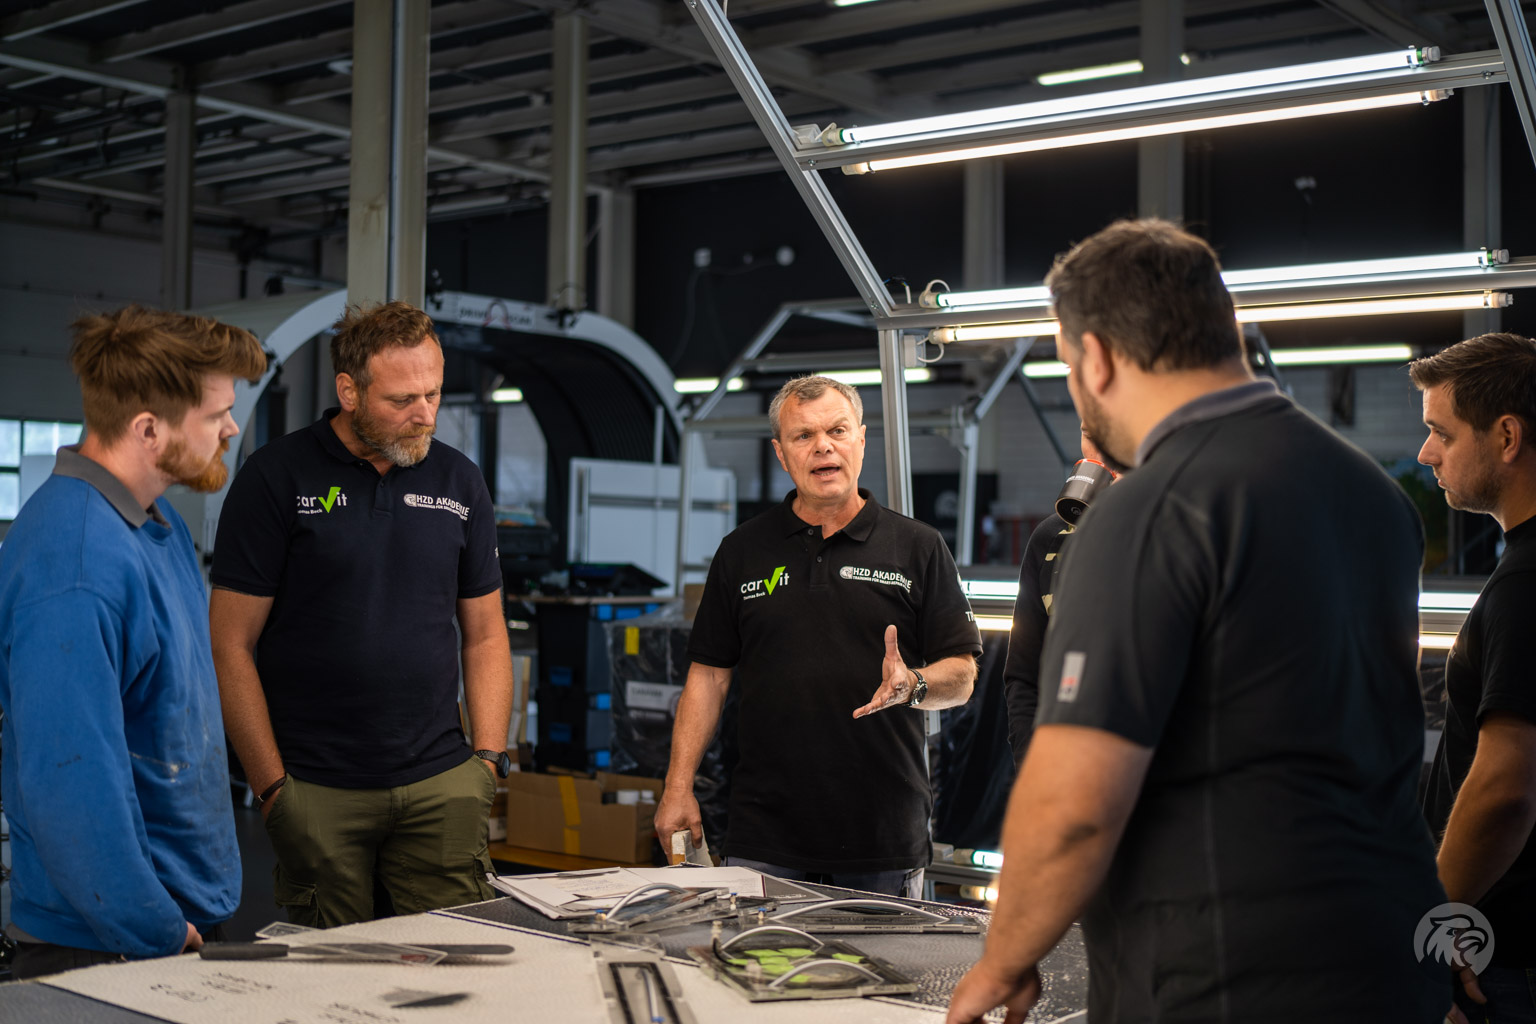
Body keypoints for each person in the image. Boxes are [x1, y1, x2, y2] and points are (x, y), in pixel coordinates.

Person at [947, 219, 1447, 1024]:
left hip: (1226, 977)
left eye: (1068, 366)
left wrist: (1004, 958)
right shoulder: (1374, 496)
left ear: (1097, 358)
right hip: (1389, 959)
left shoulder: (1148, 509)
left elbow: (1075, 802)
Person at [208, 300, 512, 927]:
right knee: (333, 972)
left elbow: (485, 635)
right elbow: (229, 644)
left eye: (433, 393)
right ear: (348, 391)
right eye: (402, 400)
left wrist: (486, 763)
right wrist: (272, 789)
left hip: (442, 785)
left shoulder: (460, 482)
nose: (425, 414)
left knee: (456, 963)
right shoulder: (276, 477)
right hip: (316, 788)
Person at [0, 306, 265, 978]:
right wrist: (154, 927)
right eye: (216, 414)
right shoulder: (76, 565)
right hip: (109, 941)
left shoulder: (157, 523)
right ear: (149, 429)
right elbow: (69, 783)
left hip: (173, 916)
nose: (231, 428)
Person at [654, 375, 981, 897]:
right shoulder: (742, 551)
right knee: (756, 954)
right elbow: (709, 677)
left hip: (882, 837)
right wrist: (677, 787)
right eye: (804, 435)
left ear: (861, 440)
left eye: (837, 430)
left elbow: (962, 676)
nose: (823, 446)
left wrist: (913, 685)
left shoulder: (918, 547)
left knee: (885, 957)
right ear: (781, 454)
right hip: (765, 836)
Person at [1413, 333, 1536, 1024]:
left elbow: (1505, 790)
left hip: (1506, 961)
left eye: (1442, 432)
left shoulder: (1525, 584)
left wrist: (1430, 927)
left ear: (1507, 437)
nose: (1426, 453)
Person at [1002, 429, 1113, 767]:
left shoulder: (1180, 529)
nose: (1099, 450)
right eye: (1088, 434)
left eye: (1110, 432)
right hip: (1065, 766)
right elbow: (1024, 674)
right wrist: (1032, 765)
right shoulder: (1051, 538)